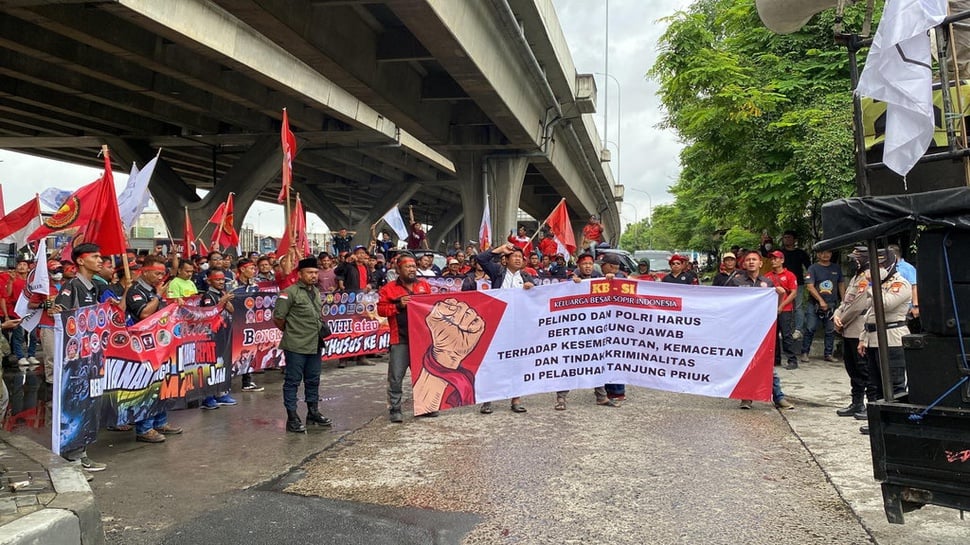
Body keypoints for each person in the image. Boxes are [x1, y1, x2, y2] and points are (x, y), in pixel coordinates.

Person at [52, 243, 110, 470]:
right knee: (75, 404)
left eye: (100, 256)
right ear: (80, 261)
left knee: (88, 404)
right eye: (95, 256)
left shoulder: (93, 287)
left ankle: (81, 451)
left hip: (90, 358)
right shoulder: (72, 287)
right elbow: (61, 317)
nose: (100, 261)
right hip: (74, 362)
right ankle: (73, 456)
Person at [126, 255, 184, 443]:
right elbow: (144, 313)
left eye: (163, 273)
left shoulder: (154, 289)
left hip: (160, 345)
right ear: (145, 271)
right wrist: (158, 295)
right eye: (157, 273)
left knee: (162, 385)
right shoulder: (135, 290)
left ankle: (160, 421)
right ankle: (144, 428)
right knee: (147, 388)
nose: (161, 277)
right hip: (141, 347)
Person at [273, 257, 332, 433]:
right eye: (309, 273)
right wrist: (293, 331)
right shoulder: (289, 292)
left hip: (314, 343)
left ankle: (313, 412)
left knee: (313, 380)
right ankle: (292, 418)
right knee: (292, 382)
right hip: (296, 345)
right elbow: (278, 318)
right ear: (300, 274)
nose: (314, 276)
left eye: (315, 272)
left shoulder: (315, 291)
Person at [730, 250, 794, 410]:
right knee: (745, 364)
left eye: (754, 259)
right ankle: (746, 397)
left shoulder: (768, 282)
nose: (751, 262)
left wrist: (780, 295)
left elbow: (773, 307)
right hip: (743, 329)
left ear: (760, 263)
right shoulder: (736, 282)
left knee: (766, 364)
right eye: (748, 260)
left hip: (762, 330)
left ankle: (778, 397)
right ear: (744, 264)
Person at [475, 242, 534, 413]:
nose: (518, 259)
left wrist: (532, 289)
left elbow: (538, 299)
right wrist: (500, 249)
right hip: (498, 324)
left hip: (519, 326)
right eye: (514, 256)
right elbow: (480, 258)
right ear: (505, 260)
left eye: (520, 257)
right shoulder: (497, 273)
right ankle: (488, 399)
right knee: (493, 362)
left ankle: (516, 400)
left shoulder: (526, 277)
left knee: (517, 363)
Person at [857, 249, 911, 435]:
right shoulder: (879, 285)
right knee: (875, 385)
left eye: (877, 266)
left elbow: (884, 304)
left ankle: (896, 425)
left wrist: (872, 284)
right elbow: (870, 314)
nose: (872, 270)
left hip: (891, 339)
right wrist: (863, 338)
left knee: (894, 386)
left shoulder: (900, 284)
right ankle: (879, 425)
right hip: (873, 338)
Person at [556, 253, 619, 409]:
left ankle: (601, 396)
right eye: (584, 264)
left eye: (590, 263)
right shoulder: (571, 279)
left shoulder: (599, 278)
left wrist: (611, 277)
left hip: (594, 330)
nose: (588, 266)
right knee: (570, 363)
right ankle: (561, 398)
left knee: (597, 362)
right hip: (574, 331)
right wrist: (572, 283)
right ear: (579, 266)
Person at [377, 254, 433, 422]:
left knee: (424, 374)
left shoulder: (424, 285)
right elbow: (381, 311)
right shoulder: (389, 288)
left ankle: (426, 407)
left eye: (414, 267)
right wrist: (398, 306)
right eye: (408, 267)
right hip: (400, 339)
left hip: (421, 340)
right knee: (396, 376)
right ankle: (395, 409)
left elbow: (431, 307)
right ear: (398, 270)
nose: (412, 270)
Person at [832, 247, 872, 418]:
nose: (854, 260)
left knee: (863, 369)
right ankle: (856, 403)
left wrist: (842, 321)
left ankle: (870, 405)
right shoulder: (856, 276)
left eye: (857, 258)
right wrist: (836, 315)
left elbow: (858, 305)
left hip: (857, 327)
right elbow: (846, 301)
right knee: (852, 368)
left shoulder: (867, 277)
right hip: (848, 327)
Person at [198, 268, 239, 410]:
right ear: (209, 280)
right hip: (211, 336)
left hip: (224, 334)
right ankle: (207, 397)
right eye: (217, 279)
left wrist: (225, 300)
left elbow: (232, 310)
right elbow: (210, 313)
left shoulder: (223, 293)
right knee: (210, 367)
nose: (221, 282)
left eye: (223, 279)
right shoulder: (208, 296)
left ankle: (221, 393)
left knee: (222, 364)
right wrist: (222, 301)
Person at [801, 249, 844, 363]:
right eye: (823, 253)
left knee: (830, 330)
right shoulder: (813, 268)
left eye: (828, 252)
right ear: (818, 254)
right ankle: (805, 352)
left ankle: (828, 354)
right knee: (810, 328)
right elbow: (810, 286)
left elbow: (841, 284)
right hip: (814, 304)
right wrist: (820, 301)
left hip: (832, 304)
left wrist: (844, 301)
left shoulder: (836, 268)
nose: (826, 255)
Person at [231, 259, 264, 392]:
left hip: (249, 324)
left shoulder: (255, 286)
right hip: (234, 323)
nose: (253, 271)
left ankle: (247, 381)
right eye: (250, 268)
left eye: (254, 268)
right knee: (232, 352)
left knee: (249, 351)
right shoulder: (231, 285)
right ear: (242, 269)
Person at [764, 251, 799, 370]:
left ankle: (792, 360)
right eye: (772, 259)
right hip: (770, 310)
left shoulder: (790, 275)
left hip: (786, 309)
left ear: (782, 260)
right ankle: (775, 359)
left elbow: (793, 293)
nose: (773, 261)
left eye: (776, 258)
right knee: (772, 335)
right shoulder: (767, 276)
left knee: (786, 334)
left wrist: (781, 306)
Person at [779, 231, 812, 336]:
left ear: (794, 240)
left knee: (797, 306)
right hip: (782, 284)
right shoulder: (780, 253)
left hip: (798, 283)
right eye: (784, 237)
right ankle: (783, 329)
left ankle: (798, 329)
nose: (786, 239)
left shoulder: (801, 253)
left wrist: (809, 280)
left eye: (789, 237)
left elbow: (809, 268)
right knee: (783, 306)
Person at [889, 244, 919, 333]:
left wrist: (915, 306)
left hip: (907, 308)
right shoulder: (889, 268)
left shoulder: (907, 268)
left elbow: (914, 287)